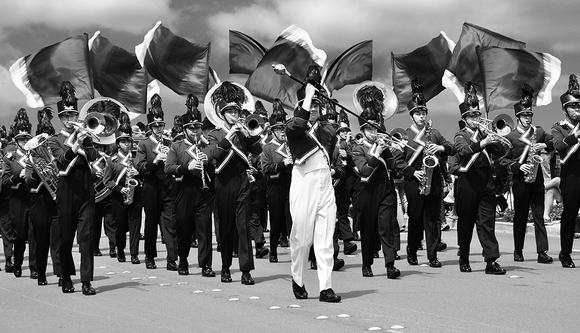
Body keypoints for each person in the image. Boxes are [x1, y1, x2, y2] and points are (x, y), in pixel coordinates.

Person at [285, 81, 341, 302]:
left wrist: (318, 93)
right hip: (304, 180)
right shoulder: (292, 128)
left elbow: (330, 131)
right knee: (300, 238)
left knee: (325, 239)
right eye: (311, 105)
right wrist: (307, 97)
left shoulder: (326, 129)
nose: (315, 108)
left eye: (318, 105)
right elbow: (298, 126)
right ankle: (298, 279)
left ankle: (325, 287)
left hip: (325, 181)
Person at [206, 81, 262, 285]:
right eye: (230, 112)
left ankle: (246, 270)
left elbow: (258, 152)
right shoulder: (215, 134)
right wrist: (229, 136)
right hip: (223, 182)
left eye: (236, 112)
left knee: (243, 226)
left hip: (242, 181)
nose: (234, 116)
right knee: (227, 227)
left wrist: (250, 136)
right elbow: (212, 155)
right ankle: (225, 267)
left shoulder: (243, 131)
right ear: (222, 114)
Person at [394, 80, 455, 268]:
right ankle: (412, 250)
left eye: (423, 113)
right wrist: (413, 173)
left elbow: (451, 149)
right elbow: (398, 161)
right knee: (416, 218)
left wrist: (441, 147)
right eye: (418, 113)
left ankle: (433, 255)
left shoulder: (434, 133)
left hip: (434, 179)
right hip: (415, 180)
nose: (421, 116)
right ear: (411, 116)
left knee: (433, 219)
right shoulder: (405, 135)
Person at [48, 81, 99, 295]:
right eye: (66, 116)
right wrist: (75, 145)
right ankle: (66, 276)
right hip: (66, 190)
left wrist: (86, 142)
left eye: (73, 115)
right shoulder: (54, 140)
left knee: (86, 238)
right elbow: (61, 160)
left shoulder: (84, 136)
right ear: (60, 118)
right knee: (66, 237)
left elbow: (95, 158)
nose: (70, 120)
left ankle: (86, 281)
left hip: (86, 191)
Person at [454, 82, 507, 275]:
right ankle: (464, 257)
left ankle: (491, 260)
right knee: (466, 221)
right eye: (471, 116)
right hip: (468, 180)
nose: (476, 118)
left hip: (486, 180)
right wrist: (483, 141)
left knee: (488, 221)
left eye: (477, 115)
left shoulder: (485, 132)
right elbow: (462, 151)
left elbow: (501, 151)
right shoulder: (461, 134)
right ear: (465, 118)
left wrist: (491, 135)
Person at [351, 82, 401, 279]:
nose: (374, 133)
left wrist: (387, 148)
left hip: (385, 188)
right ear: (363, 130)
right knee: (369, 229)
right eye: (370, 130)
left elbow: (393, 167)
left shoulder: (382, 143)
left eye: (376, 129)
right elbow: (363, 171)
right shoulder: (358, 147)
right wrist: (376, 152)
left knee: (386, 226)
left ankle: (390, 265)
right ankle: (366, 264)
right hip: (367, 191)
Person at [500, 84, 553, 263]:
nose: (528, 118)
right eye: (524, 115)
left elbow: (553, 142)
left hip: (536, 179)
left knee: (538, 216)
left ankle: (542, 252)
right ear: (518, 117)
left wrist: (545, 145)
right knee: (520, 216)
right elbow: (503, 160)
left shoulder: (538, 132)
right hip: (519, 180)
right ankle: (518, 250)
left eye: (530, 115)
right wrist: (517, 167)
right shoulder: (511, 137)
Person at [165, 96, 215, 277]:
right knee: (184, 230)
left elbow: (215, 163)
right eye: (192, 128)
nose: (196, 131)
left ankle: (206, 265)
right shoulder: (176, 147)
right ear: (185, 130)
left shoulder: (207, 146)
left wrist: (207, 161)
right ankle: (183, 260)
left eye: (198, 128)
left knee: (205, 230)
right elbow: (168, 167)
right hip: (183, 191)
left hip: (203, 192)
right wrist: (187, 168)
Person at [135, 94, 178, 271]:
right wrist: (155, 161)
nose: (160, 128)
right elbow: (139, 166)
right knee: (151, 223)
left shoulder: (170, 142)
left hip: (168, 185)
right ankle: (150, 256)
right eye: (156, 126)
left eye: (162, 125)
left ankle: (171, 259)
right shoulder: (144, 144)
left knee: (170, 223)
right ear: (151, 127)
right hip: (152, 185)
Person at [25, 107, 61, 285]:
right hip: (39, 202)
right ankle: (40, 272)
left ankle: (61, 272)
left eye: (45, 143)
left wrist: (54, 170)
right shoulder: (31, 160)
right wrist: (42, 175)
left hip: (56, 200)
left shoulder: (54, 156)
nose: (44, 147)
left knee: (58, 238)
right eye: (41, 144)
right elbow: (28, 182)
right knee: (42, 239)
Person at [103, 113, 143, 265]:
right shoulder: (112, 160)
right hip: (119, 196)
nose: (127, 144)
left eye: (129, 141)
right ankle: (120, 249)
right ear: (118, 143)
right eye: (124, 141)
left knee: (135, 225)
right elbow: (107, 181)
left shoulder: (136, 157)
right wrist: (120, 189)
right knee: (119, 225)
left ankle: (134, 254)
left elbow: (144, 172)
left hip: (136, 194)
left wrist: (139, 173)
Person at [551, 74, 580, 268]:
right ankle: (565, 253)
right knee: (570, 214)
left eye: (579, 106)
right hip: (571, 175)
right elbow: (558, 145)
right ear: (565, 109)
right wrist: (575, 135)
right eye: (574, 106)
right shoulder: (559, 127)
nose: (577, 110)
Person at [2, 108, 35, 278]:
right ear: (16, 140)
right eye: (21, 139)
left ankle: (35, 266)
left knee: (34, 232)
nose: (24, 141)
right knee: (20, 234)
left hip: (34, 196)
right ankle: (18, 263)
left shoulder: (36, 154)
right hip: (17, 198)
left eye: (27, 138)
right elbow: (5, 181)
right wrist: (18, 176)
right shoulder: (11, 158)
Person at [261, 99, 293, 263]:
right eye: (278, 129)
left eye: (283, 128)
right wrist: (282, 164)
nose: (282, 132)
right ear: (272, 131)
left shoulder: (291, 145)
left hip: (291, 185)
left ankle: (297, 251)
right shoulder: (268, 148)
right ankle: (273, 250)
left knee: (293, 220)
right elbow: (265, 168)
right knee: (276, 220)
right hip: (275, 186)